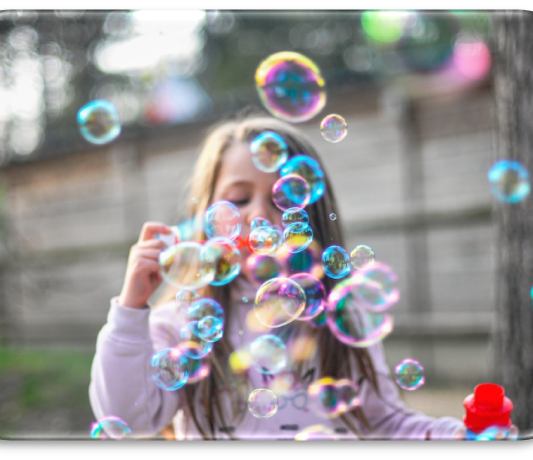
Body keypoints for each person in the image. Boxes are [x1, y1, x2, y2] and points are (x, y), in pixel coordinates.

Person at [89, 114, 466, 440]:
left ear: (313, 212)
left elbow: (385, 423)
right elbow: (127, 419)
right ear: (207, 215)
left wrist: (455, 434)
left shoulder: (341, 315)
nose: (259, 215)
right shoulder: (181, 323)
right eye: (238, 200)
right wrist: (130, 310)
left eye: (283, 198)